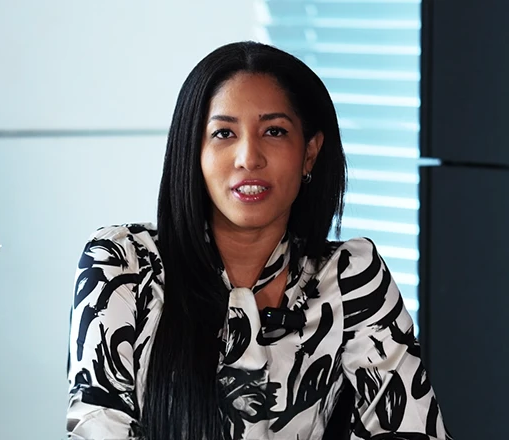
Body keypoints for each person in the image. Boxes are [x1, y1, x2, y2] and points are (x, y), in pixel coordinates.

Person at [65, 41, 451, 440]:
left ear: (309, 153)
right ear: (194, 151)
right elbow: (99, 424)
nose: (249, 157)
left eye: (274, 131)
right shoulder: (123, 264)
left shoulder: (349, 277)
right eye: (224, 133)